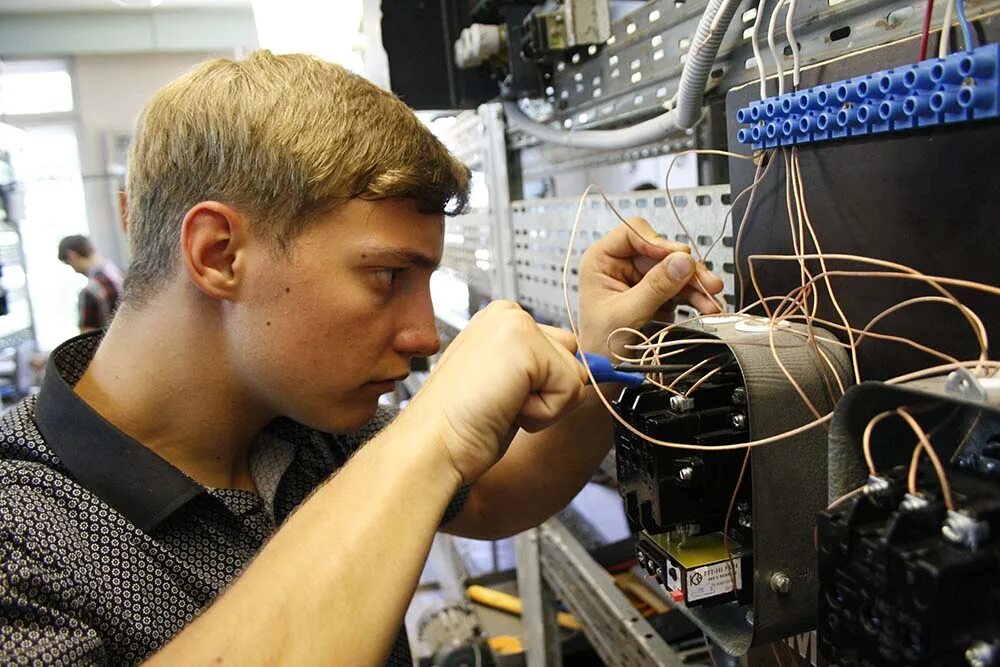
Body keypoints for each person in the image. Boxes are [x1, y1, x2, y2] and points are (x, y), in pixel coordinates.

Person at [0, 51, 723, 665]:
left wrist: (606, 347)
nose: (424, 336)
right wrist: (430, 433)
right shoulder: (21, 538)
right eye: (387, 277)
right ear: (218, 254)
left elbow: (500, 492)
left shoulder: (295, 423)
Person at [57, 235, 125, 332]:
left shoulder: (89, 292)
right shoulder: (122, 273)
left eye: (69, 264)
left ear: (71, 255)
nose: (75, 271)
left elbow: (87, 337)